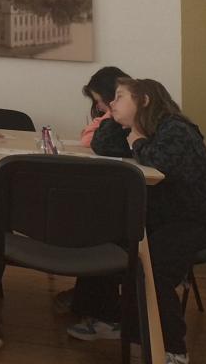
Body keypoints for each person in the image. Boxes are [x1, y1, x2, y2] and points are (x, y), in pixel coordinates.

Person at [105, 78, 206, 364]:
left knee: (154, 264)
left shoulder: (176, 129)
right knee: (113, 237)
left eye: (119, 96)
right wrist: (113, 120)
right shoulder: (142, 130)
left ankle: (173, 350)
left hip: (203, 219)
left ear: (145, 101)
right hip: (168, 219)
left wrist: (137, 140)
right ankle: (122, 326)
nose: (112, 102)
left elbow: (161, 163)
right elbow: (103, 145)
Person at [59, 65, 132, 338]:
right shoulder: (118, 121)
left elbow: (90, 140)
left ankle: (102, 312)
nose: (99, 107)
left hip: (145, 208)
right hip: (125, 199)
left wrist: (107, 117)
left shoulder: (125, 122)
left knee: (98, 224)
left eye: (100, 101)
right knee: (95, 217)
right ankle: (87, 299)